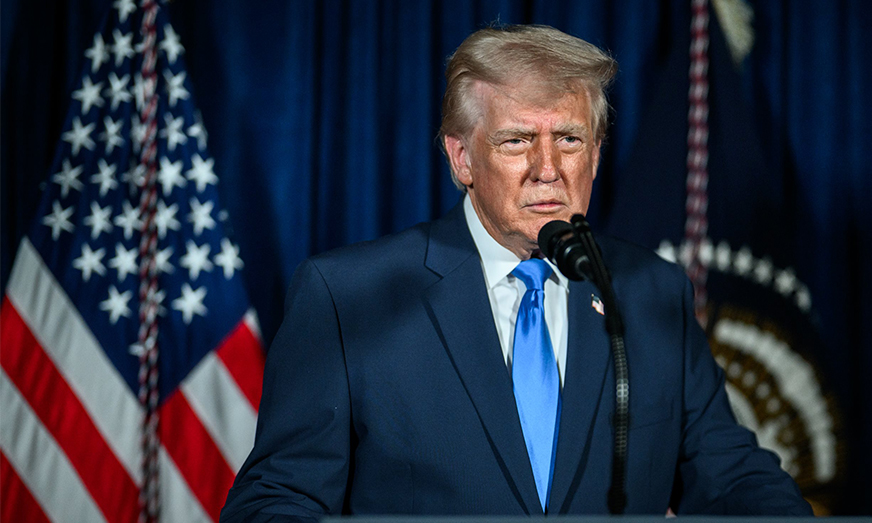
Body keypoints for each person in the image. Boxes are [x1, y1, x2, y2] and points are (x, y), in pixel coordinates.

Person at [221, 24, 812, 521]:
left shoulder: (651, 291)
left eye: (570, 139)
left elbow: (731, 478)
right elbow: (278, 498)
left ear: (598, 154)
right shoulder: (347, 296)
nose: (547, 169)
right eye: (516, 141)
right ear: (462, 158)